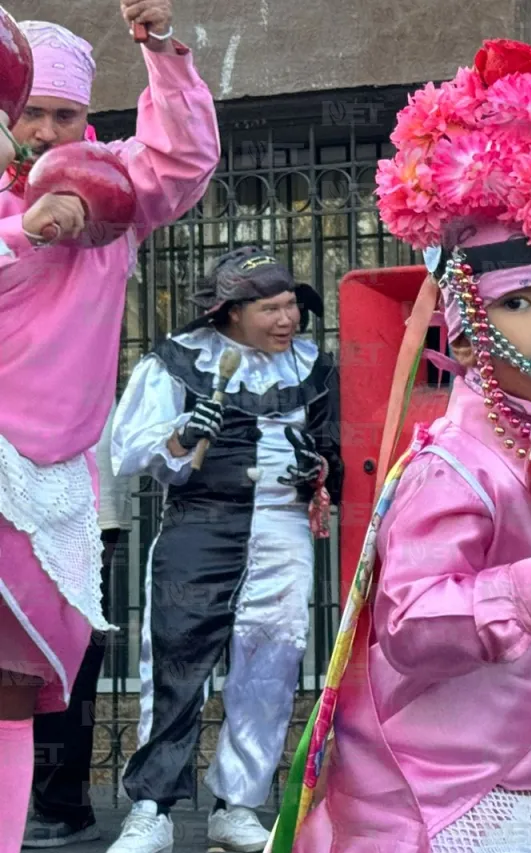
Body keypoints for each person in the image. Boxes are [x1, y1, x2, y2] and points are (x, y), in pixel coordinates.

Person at [282, 40, 531, 853]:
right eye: (521, 299)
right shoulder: (456, 465)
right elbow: (415, 623)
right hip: (437, 798)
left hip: (530, 780)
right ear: (471, 317)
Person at [0, 4, 218, 852]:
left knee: (15, 686)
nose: (50, 128)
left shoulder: (112, 185)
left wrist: (159, 49)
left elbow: (184, 158)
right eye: (34, 112)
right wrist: (28, 231)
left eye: (68, 114)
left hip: (50, 474)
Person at [107, 247, 341, 853]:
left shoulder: (315, 366)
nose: (287, 318)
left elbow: (336, 446)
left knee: (272, 662)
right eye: (271, 308)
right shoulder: (174, 363)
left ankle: (237, 804)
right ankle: (152, 808)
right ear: (230, 313)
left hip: (284, 525)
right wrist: (182, 434)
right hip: (199, 523)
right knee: (177, 661)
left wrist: (321, 466)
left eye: (292, 304)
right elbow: (127, 451)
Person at [23, 402, 131, 849]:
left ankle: (61, 805)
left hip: (79, 506)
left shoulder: (74, 337)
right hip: (24, 497)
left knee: (62, 660)